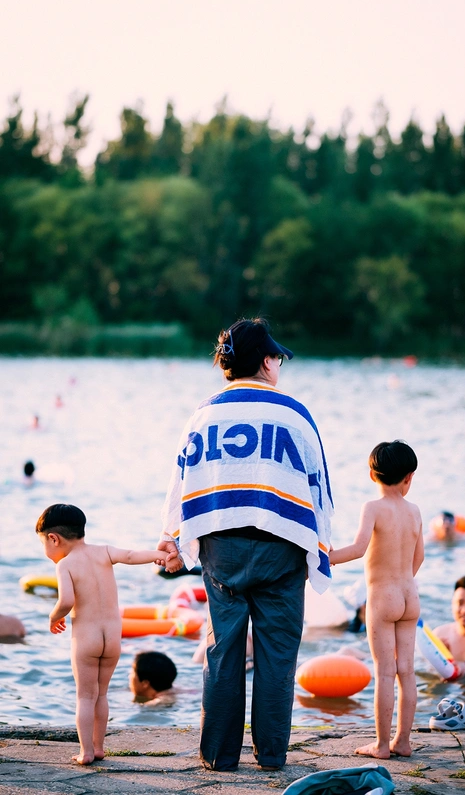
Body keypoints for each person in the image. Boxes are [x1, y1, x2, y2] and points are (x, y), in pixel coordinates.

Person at [158, 317, 334, 772]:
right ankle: (271, 755)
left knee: (223, 651)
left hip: (223, 548)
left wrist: (171, 536)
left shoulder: (204, 414)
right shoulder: (293, 412)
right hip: (281, 546)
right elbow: (316, 486)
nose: (279, 365)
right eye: (277, 358)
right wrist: (320, 545)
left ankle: (219, 755)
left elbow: (182, 481)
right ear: (267, 362)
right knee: (277, 654)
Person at [36, 503, 178, 766]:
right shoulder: (104, 552)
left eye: (43, 543)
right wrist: (161, 555)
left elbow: (66, 601)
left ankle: (86, 751)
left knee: (85, 696)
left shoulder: (65, 565)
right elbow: (132, 555)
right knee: (101, 695)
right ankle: (100, 748)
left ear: (53, 538)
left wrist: (54, 616)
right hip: (112, 639)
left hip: (87, 640)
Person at [329, 440, 424, 759]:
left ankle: (382, 745)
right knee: (406, 670)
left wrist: (327, 558)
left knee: (385, 671)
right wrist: (403, 581)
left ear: (372, 475)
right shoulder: (415, 511)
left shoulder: (373, 507)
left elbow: (358, 549)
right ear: (409, 477)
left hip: (383, 599)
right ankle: (403, 741)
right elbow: (419, 557)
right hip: (410, 596)